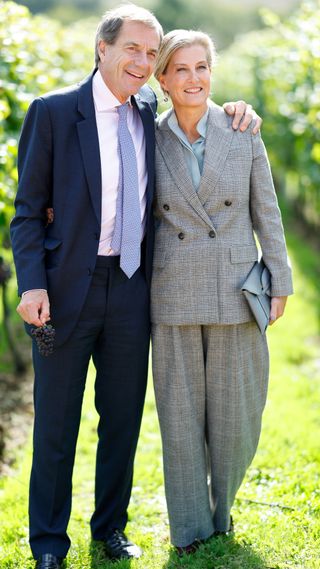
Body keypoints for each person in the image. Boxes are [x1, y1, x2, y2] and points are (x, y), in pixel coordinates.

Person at [10, 4, 261, 567]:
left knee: (121, 420)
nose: (144, 63)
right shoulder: (51, 113)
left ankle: (110, 530)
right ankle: (48, 543)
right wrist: (32, 285)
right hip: (62, 290)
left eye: (152, 53)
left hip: (131, 286)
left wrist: (238, 110)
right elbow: (27, 213)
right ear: (103, 49)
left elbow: (198, 115)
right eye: (134, 49)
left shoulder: (149, 109)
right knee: (57, 425)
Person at [151, 29, 293, 556]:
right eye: (181, 69)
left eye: (202, 67)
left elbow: (267, 212)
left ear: (213, 72)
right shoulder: (147, 134)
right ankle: (190, 530)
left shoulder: (241, 130)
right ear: (162, 79)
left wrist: (280, 278)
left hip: (237, 288)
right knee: (180, 418)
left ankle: (223, 510)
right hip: (173, 290)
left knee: (237, 416)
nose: (194, 79)